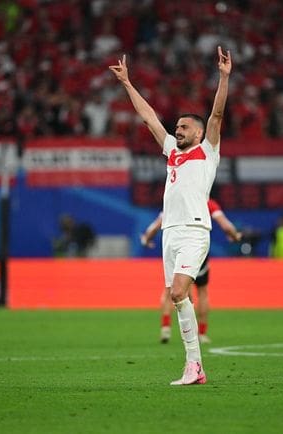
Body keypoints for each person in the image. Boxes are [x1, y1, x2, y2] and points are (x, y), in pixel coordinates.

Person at [109, 46, 231, 385]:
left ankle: (195, 366)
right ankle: (194, 368)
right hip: (170, 233)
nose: (177, 131)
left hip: (194, 231)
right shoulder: (171, 154)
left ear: (199, 134)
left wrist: (223, 78)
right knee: (179, 300)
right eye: (176, 127)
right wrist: (128, 84)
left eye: (184, 128)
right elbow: (148, 117)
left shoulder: (208, 152)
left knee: (178, 292)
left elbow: (217, 116)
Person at [141, 198, 241, 345]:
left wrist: (146, 239)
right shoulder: (207, 202)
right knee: (202, 292)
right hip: (197, 249)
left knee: (171, 288)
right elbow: (226, 226)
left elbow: (155, 226)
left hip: (176, 247)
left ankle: (166, 327)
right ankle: (201, 332)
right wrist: (235, 236)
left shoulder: (175, 200)